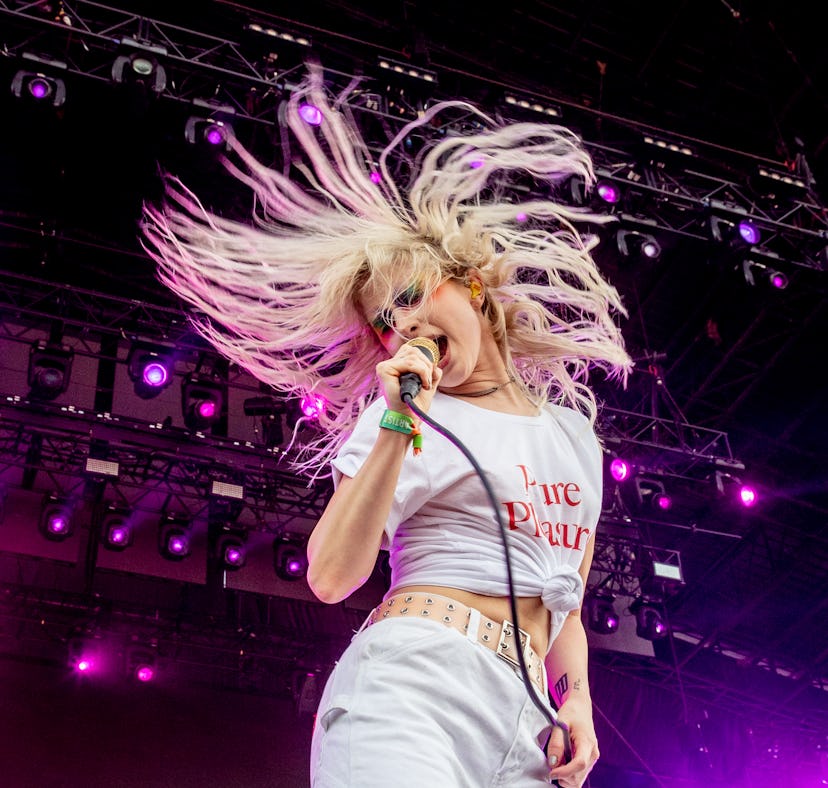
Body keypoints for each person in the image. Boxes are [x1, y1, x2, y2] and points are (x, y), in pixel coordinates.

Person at [142, 62, 633, 787]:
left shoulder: (573, 438)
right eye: (383, 321)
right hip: (417, 685)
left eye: (407, 297)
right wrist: (401, 426)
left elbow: (568, 595)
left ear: (468, 281)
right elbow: (333, 575)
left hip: (529, 725)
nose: (399, 325)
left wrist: (580, 703)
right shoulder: (404, 410)